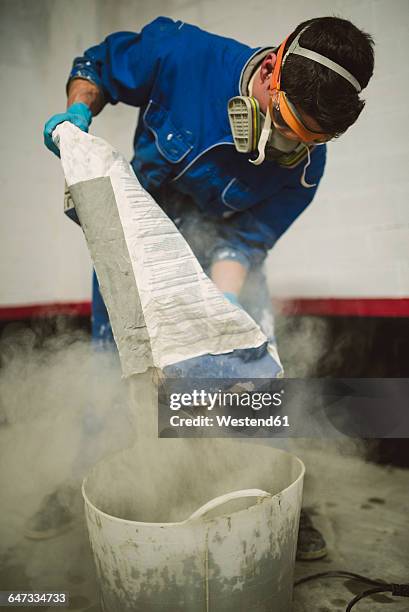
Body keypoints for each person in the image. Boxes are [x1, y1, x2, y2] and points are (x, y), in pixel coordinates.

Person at [35, 16, 374, 559]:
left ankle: (277, 499)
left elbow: (241, 244)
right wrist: (80, 110)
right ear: (270, 73)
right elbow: (97, 67)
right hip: (135, 254)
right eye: (286, 127)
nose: (288, 149)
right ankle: (80, 486)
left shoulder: (306, 168)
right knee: (109, 374)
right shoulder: (182, 55)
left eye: (307, 141)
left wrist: (219, 314)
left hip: (220, 266)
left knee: (249, 389)